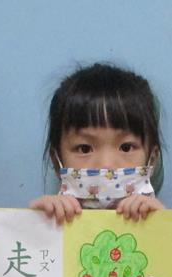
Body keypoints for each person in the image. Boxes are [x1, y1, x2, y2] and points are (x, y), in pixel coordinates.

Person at [31, 63, 164, 223]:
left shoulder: (162, 221)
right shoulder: (49, 219)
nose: (106, 165)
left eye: (126, 147)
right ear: (57, 161)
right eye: (84, 148)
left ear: (152, 159)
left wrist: (162, 223)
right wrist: (36, 223)